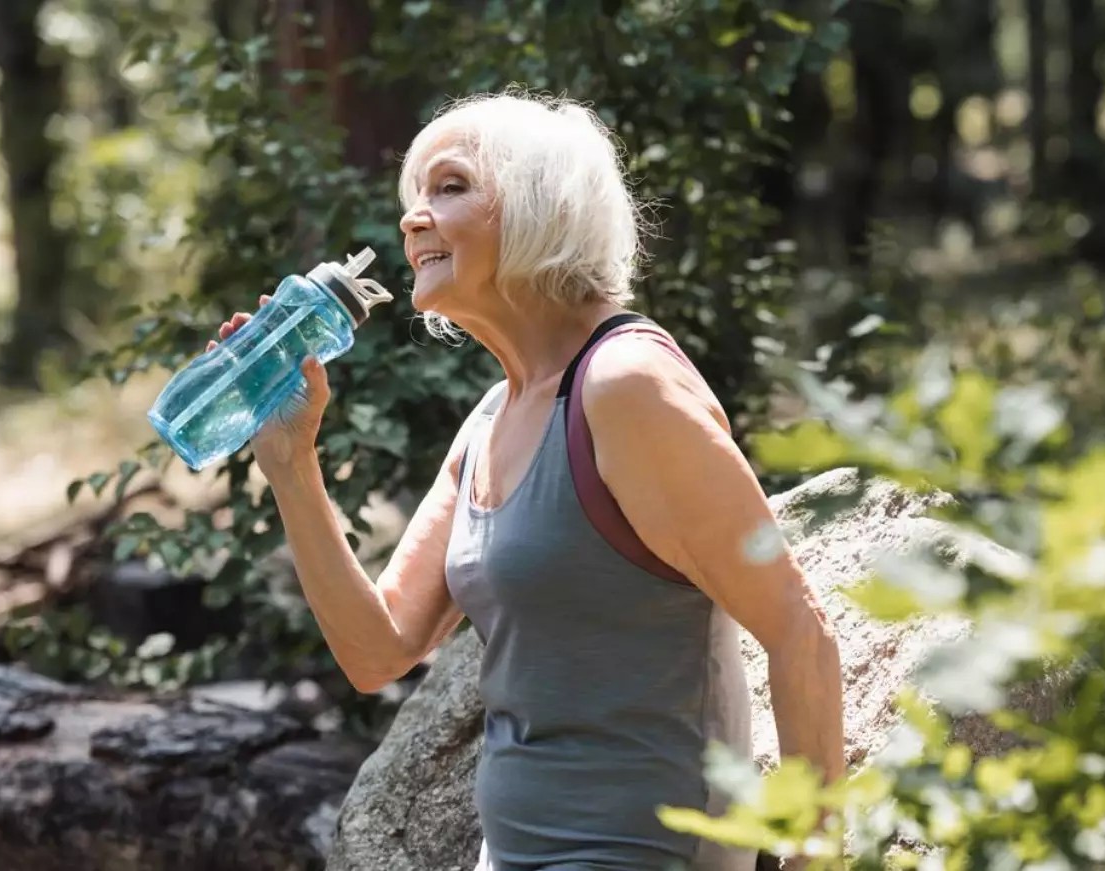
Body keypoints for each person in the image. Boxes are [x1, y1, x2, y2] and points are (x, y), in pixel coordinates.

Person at [207, 90, 845, 871]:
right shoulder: (489, 420)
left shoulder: (626, 385)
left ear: (542, 203)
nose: (412, 219)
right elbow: (377, 650)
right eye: (414, 198)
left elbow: (799, 630)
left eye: (449, 187)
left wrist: (816, 859)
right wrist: (290, 461)